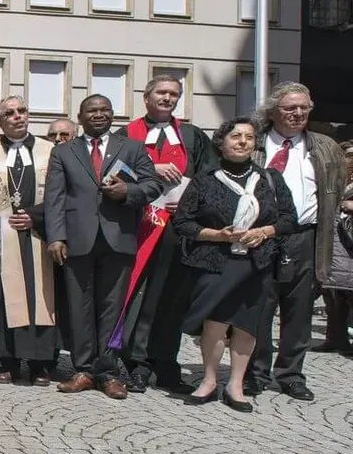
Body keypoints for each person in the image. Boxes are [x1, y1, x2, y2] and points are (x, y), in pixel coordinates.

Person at [173, 117, 296, 413]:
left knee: (247, 326)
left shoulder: (270, 179)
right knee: (215, 324)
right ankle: (209, 381)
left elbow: (289, 219)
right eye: (236, 136)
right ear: (222, 143)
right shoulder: (205, 180)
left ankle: (236, 384)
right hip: (216, 262)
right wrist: (218, 235)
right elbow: (183, 223)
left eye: (249, 137)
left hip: (257, 263)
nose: (242, 142)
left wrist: (263, 232)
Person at [45, 95, 162, 399]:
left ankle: (108, 372)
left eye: (105, 111)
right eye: (92, 111)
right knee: (79, 306)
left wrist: (128, 191)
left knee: (112, 308)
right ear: (80, 117)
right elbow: (55, 197)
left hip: (118, 238)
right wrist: (56, 236)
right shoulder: (63, 151)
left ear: (113, 115)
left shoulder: (132, 148)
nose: (99, 115)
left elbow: (153, 185)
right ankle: (82, 369)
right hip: (77, 239)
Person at [115, 76, 216, 394]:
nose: (167, 98)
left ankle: (166, 363)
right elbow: (107, 172)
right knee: (139, 299)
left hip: (177, 232)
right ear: (146, 97)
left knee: (171, 299)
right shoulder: (126, 134)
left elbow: (210, 178)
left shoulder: (192, 135)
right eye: (161, 92)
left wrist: (190, 198)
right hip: (136, 227)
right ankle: (137, 363)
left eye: (174, 94)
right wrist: (149, 168)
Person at [246, 83, 345, 401]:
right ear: (273, 110)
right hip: (261, 236)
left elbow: (336, 189)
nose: (298, 113)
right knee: (259, 307)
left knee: (299, 311)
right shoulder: (255, 142)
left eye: (304, 107)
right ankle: (255, 372)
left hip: (305, 236)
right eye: (290, 108)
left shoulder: (325, 146)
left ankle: (290, 374)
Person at [0, 97, 59, 385]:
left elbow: (59, 193)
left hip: (40, 233)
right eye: (9, 113)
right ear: (0, 121)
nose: (17, 117)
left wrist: (36, 217)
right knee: (4, 299)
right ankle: (8, 361)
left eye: (22, 111)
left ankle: (41, 364)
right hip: (2, 235)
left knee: (41, 297)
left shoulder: (49, 150)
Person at [318, 141, 353, 352]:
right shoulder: (339, 181)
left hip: (347, 244)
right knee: (333, 293)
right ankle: (336, 339)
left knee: (346, 293)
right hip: (336, 243)